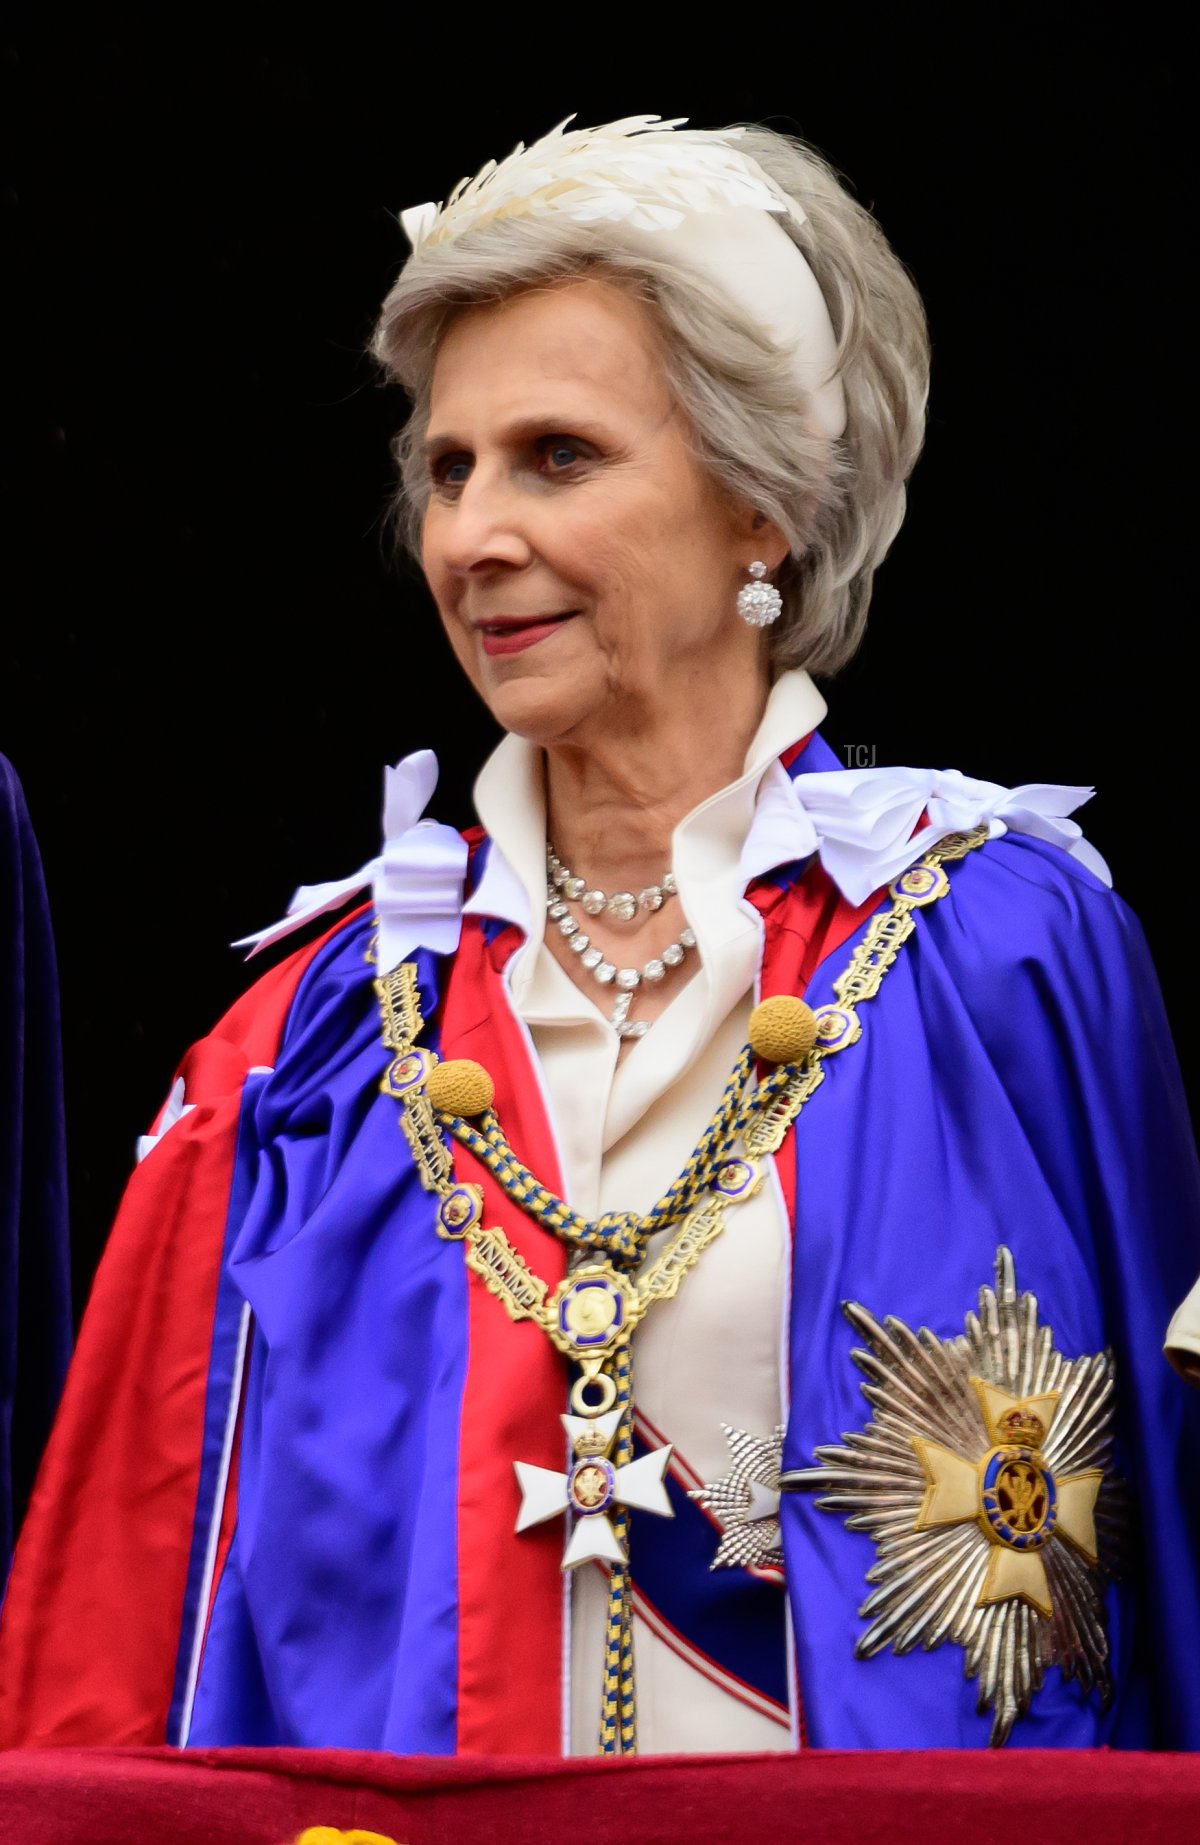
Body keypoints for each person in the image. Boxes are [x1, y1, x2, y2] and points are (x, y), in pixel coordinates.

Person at [2, 113, 1197, 1757]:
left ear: (760, 507)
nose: (470, 534)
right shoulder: (314, 1038)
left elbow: (1180, 1539)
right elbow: (117, 1632)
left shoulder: (999, 944)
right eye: (446, 466)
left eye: (557, 455)